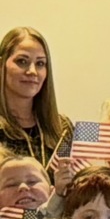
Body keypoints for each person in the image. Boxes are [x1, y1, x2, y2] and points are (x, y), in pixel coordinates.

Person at [0, 27, 72, 174]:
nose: (32, 71)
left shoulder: (63, 128)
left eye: (40, 64)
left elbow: (79, 185)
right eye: (22, 61)